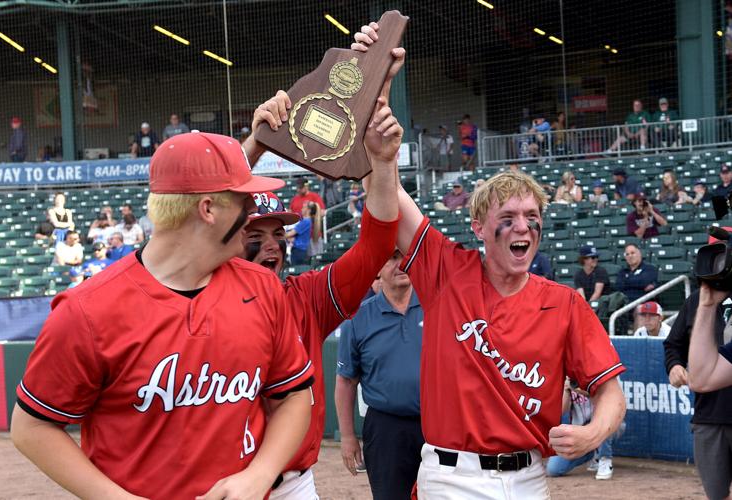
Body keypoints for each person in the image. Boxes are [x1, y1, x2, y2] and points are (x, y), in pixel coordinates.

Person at [359, 28, 625, 498]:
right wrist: (376, 90)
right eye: (508, 218)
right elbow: (390, 192)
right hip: (450, 475)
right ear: (478, 227)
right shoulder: (445, 270)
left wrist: (593, 433)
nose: (523, 227)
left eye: (532, 217)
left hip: (528, 478)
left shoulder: (563, 304)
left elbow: (611, 393)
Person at [11, 132, 315, 500]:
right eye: (244, 201)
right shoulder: (87, 311)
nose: (254, 211)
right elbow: (31, 427)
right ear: (208, 209)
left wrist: (260, 474)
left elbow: (294, 398)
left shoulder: (263, 288)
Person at [239, 79, 403, 499]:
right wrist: (255, 144)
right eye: (257, 234)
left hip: (295, 485)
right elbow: (189, 220)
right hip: (225, 482)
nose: (274, 243)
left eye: (279, 233)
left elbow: (375, 247)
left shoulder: (306, 296)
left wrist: (382, 164)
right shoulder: (200, 294)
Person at [335, 250, 424, 500]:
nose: (401, 264)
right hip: (386, 428)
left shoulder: (436, 306)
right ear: (376, 267)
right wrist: (348, 437)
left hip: (435, 424)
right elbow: (345, 381)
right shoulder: (357, 318)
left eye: (404, 256)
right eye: (392, 258)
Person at [664, 287, 732, 500]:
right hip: (708, 415)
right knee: (716, 494)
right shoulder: (699, 301)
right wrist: (674, 365)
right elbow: (673, 344)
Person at [546, 378, 624, 481]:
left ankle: (605, 459)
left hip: (608, 424)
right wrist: (566, 389)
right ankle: (593, 454)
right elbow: (561, 411)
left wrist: (580, 390)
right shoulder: (567, 375)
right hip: (580, 431)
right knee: (553, 470)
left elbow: (611, 403)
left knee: (605, 419)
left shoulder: (604, 370)